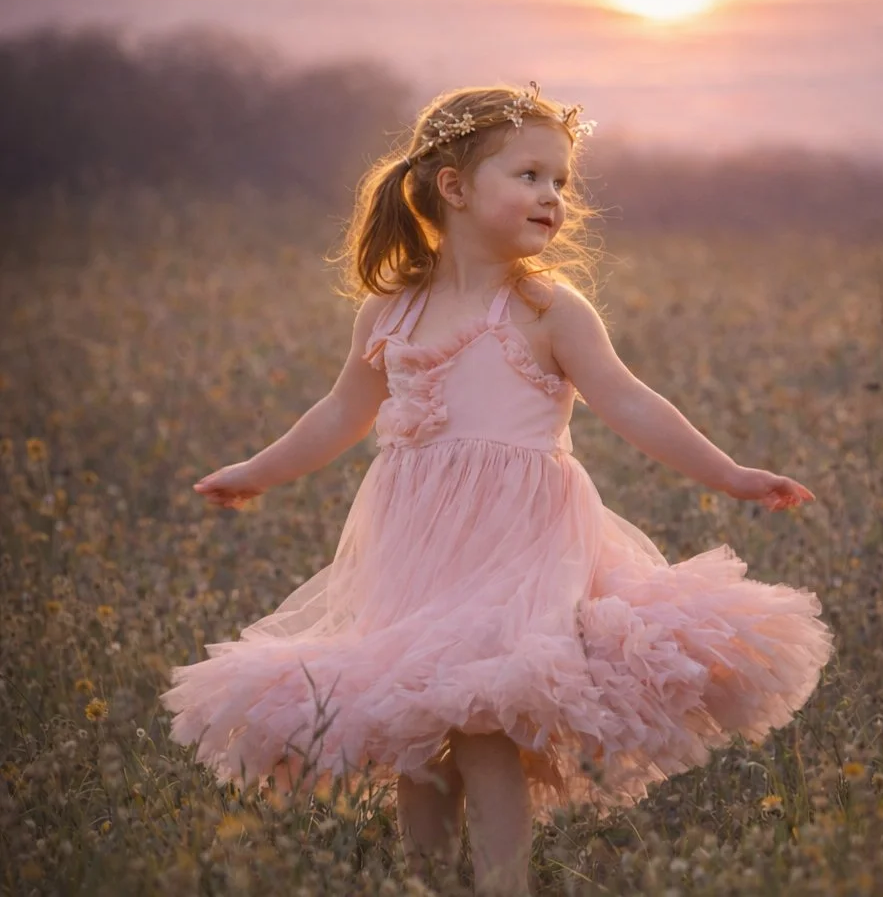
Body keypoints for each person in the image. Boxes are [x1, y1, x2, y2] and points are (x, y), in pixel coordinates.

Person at [159, 82, 833, 896]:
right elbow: (341, 410)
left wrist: (728, 473)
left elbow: (627, 400)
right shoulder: (389, 312)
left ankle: (503, 886)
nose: (552, 196)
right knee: (418, 722)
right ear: (454, 188)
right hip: (414, 547)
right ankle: (431, 883)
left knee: (483, 723)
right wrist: (256, 470)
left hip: (518, 543)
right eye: (529, 175)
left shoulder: (549, 308)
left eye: (560, 182)